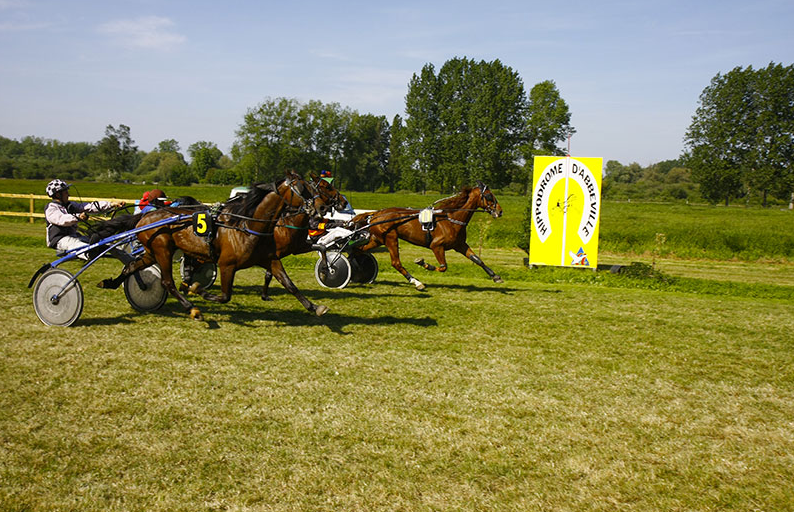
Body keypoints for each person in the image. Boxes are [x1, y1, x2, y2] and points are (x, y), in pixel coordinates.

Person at [44, 179, 125, 260]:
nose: (68, 194)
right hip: (59, 240)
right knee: (80, 245)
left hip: (74, 236)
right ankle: (88, 253)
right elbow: (61, 219)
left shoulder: (70, 205)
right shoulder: (51, 208)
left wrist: (111, 204)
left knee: (106, 242)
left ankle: (130, 261)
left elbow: (89, 207)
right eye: (66, 192)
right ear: (58, 195)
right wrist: (78, 217)